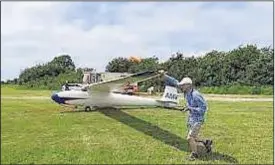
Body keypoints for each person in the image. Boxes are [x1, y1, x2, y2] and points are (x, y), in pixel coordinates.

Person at [163, 74, 213, 161]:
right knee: (195, 137)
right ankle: (206, 142)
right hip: (191, 119)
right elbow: (175, 82)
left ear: (189, 85)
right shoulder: (186, 92)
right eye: (181, 85)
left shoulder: (196, 95)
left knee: (190, 138)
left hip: (198, 120)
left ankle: (194, 154)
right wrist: (164, 76)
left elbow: (203, 109)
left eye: (183, 85)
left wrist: (190, 108)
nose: (181, 86)